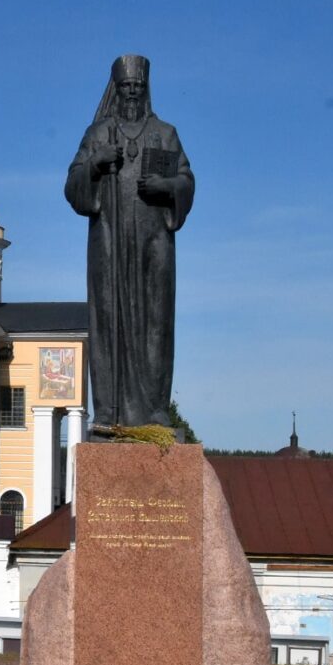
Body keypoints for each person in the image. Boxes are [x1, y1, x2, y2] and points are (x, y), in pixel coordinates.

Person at [65, 55, 194, 430]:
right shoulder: (98, 134)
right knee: (108, 319)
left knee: (157, 321)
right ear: (117, 89)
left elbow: (187, 180)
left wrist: (166, 186)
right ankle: (108, 410)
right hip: (109, 241)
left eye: (138, 85)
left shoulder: (165, 134)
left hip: (154, 243)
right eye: (126, 86)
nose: (132, 91)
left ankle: (155, 407)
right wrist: (95, 163)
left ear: (146, 88)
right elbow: (72, 186)